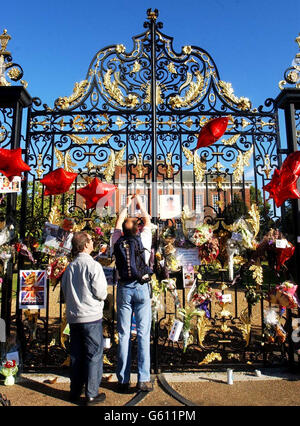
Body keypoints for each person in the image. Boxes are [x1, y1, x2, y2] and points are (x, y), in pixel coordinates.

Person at [112, 194, 153, 393]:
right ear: (138, 229)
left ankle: (123, 379)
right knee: (144, 333)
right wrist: (139, 202)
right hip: (142, 287)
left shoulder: (116, 240)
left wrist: (126, 204)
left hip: (124, 288)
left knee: (124, 333)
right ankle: (143, 379)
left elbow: (118, 222)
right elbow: (148, 220)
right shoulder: (144, 238)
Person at [61, 231, 108, 405]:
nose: (93, 242)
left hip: (74, 317)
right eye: (90, 240)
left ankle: (75, 390)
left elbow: (65, 291)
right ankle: (91, 392)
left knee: (76, 355)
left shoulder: (70, 267)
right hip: (91, 317)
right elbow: (101, 292)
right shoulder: (93, 266)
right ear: (86, 245)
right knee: (94, 354)